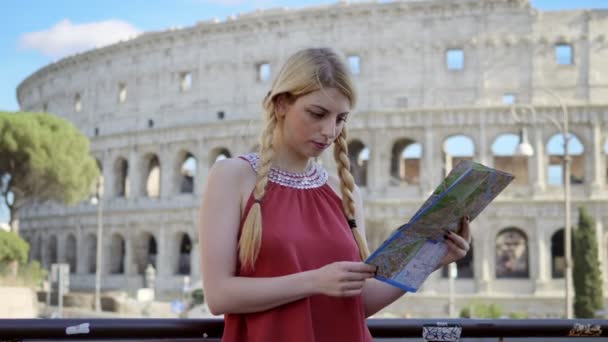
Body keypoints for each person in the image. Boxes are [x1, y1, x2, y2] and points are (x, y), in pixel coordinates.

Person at [199, 47, 471, 342]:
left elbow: (358, 304)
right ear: (280, 104)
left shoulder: (344, 191)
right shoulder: (232, 176)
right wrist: (314, 281)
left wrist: (430, 260)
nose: (330, 131)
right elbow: (218, 295)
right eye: (318, 114)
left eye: (341, 118)